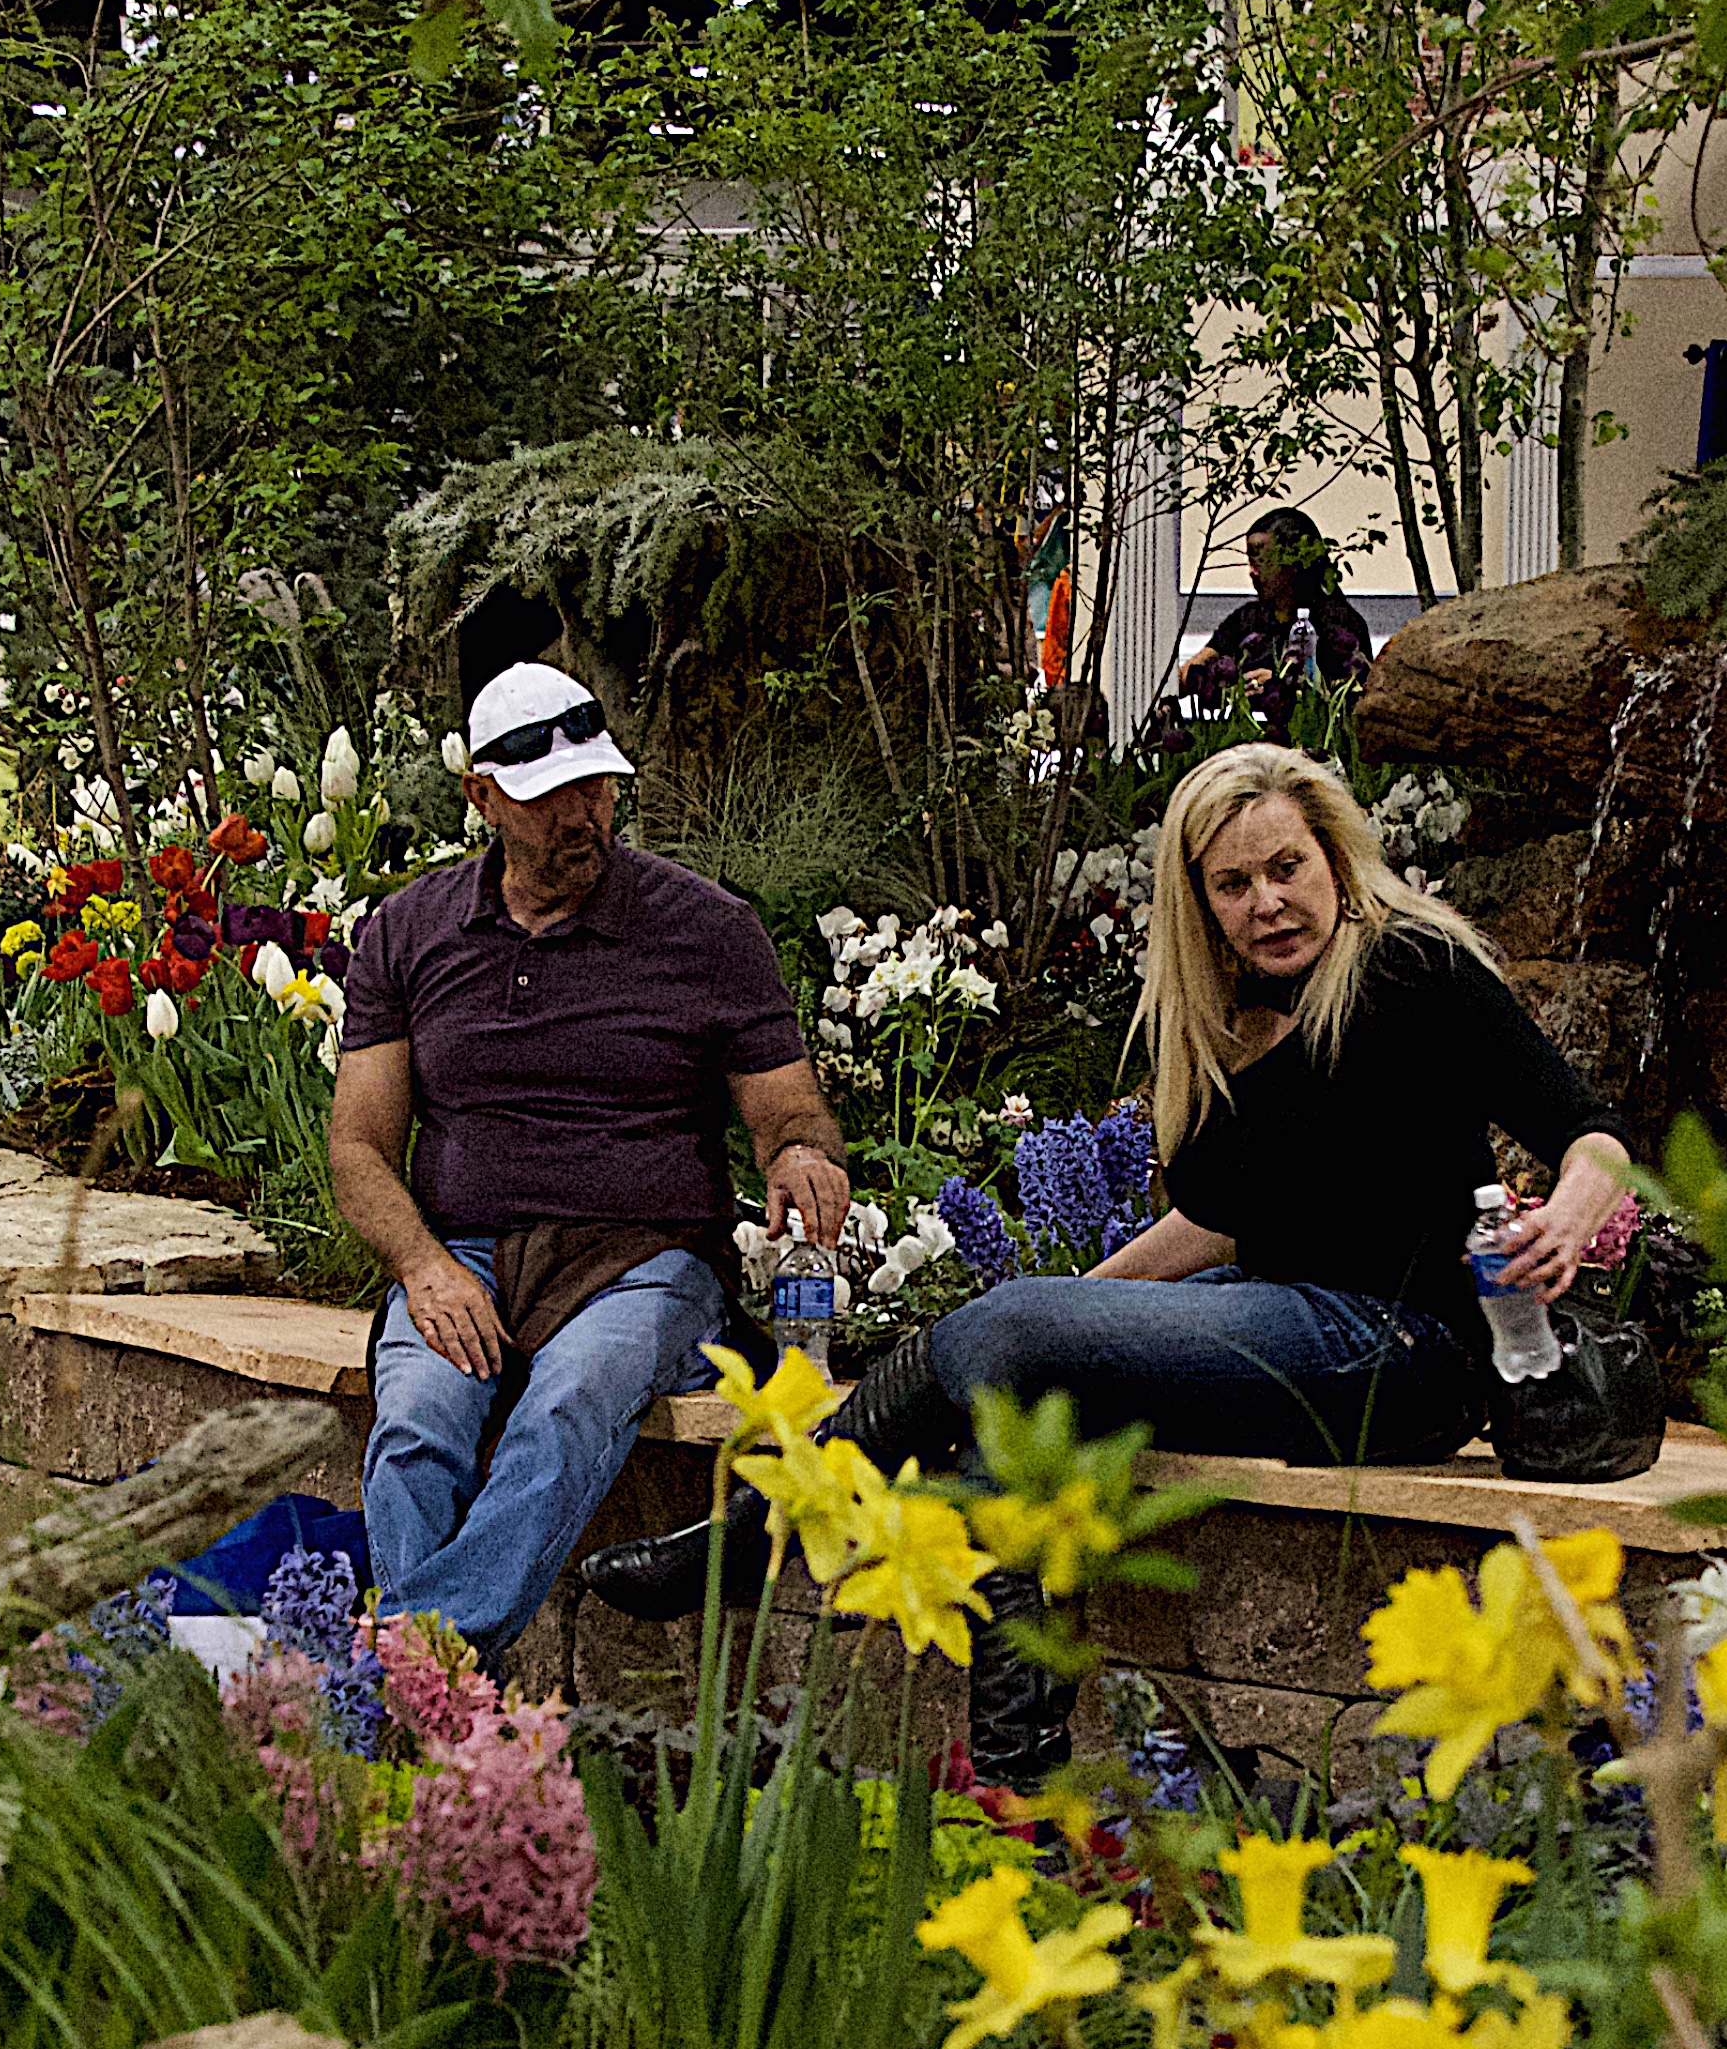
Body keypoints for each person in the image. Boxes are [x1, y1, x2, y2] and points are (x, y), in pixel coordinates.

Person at [581, 743, 1632, 1757]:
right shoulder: (1248, 1014)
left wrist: (1576, 1212)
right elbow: (1213, 1225)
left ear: (1334, 862)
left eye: (1286, 869)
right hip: (1282, 1310)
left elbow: (1589, 1133)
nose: (1267, 901)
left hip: (1399, 1352)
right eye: (1234, 884)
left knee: (1017, 1334)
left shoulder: (1414, 968)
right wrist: (1060, 1314)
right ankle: (1018, 1763)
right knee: (1031, 1391)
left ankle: (761, 1531)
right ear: (1200, 901)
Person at [331, 660, 853, 1670]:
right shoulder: (409, 932)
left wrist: (801, 1154)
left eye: (596, 785)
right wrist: (424, 1266)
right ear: (482, 795)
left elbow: (789, 1109)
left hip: (642, 1261)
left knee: (569, 1401)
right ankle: (426, 1705)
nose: (581, 815)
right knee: (417, 1425)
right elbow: (358, 1147)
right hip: (465, 1253)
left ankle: (399, 1672)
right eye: (547, 797)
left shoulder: (706, 929)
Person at [1170, 507, 1376, 717]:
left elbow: (1356, 700)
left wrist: (1284, 689)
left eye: (1262, 560)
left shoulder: (1338, 626)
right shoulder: (1246, 619)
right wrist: (1228, 684)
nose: (1252, 572)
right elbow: (1188, 674)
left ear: (1292, 565)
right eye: (1250, 561)